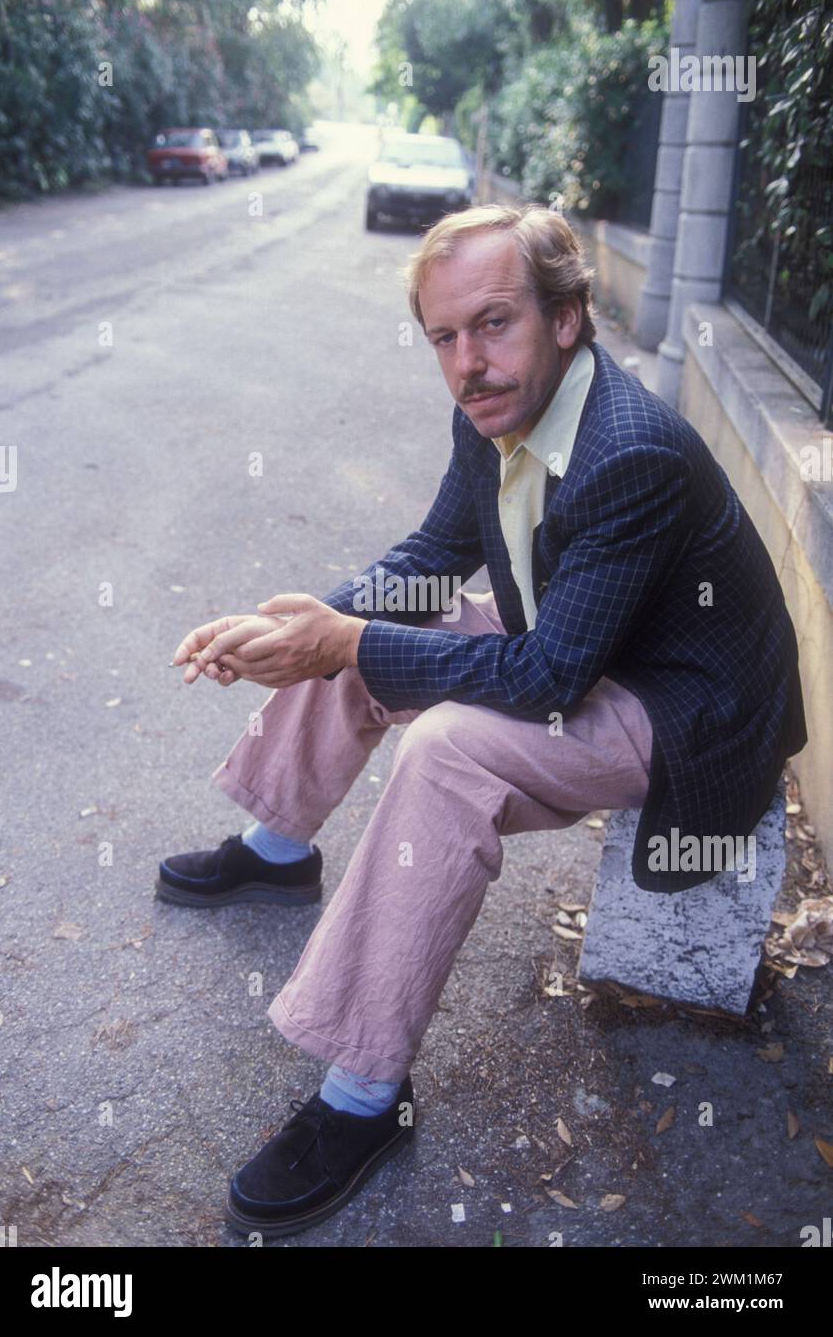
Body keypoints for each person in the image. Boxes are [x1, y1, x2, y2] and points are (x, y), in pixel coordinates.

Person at [161, 203, 807, 1238]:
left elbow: (551, 675)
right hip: (582, 639)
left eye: (494, 323)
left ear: (568, 317)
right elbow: (428, 560)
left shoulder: (629, 452)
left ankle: (365, 1097)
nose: (468, 363)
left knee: (447, 746)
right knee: (362, 624)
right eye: (445, 337)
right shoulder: (493, 408)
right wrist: (301, 619)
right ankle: (277, 844)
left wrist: (347, 640)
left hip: (684, 701)